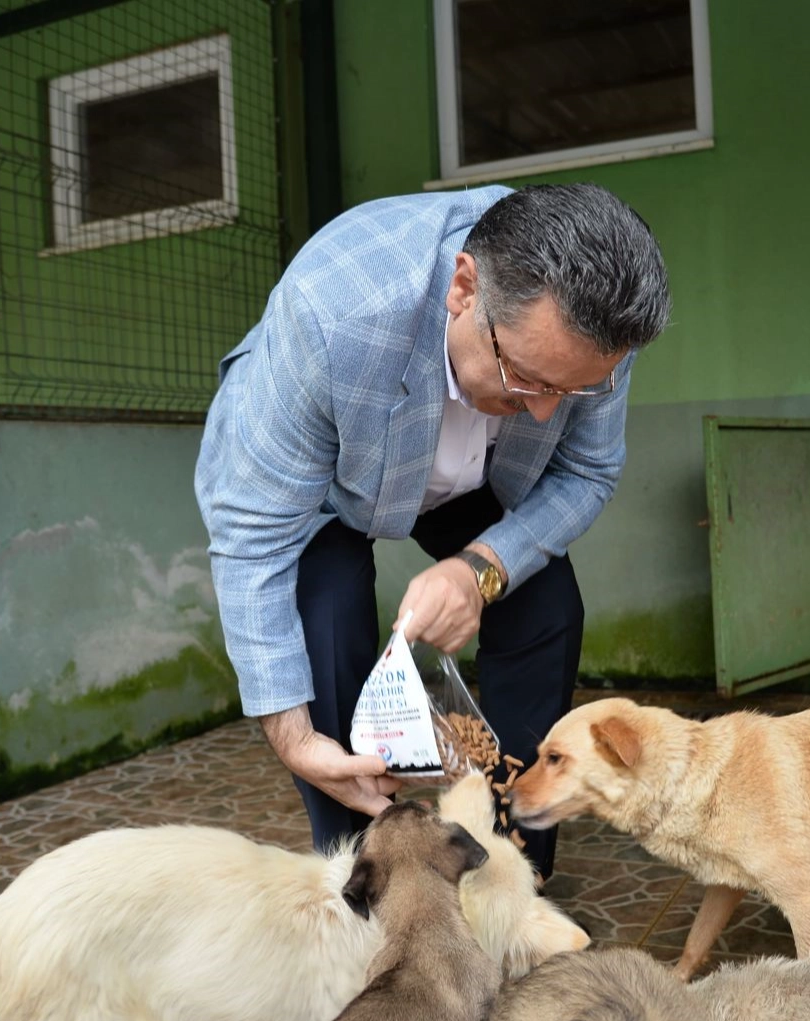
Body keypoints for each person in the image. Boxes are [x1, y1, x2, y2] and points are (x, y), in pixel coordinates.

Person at [194, 183, 670, 879]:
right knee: (325, 606)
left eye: (568, 393)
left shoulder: (595, 332)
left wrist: (477, 567)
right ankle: (366, 878)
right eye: (525, 380)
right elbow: (255, 532)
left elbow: (587, 472)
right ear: (464, 289)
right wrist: (293, 738)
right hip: (329, 472)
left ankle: (509, 868)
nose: (543, 415)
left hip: (477, 471)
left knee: (546, 605)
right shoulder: (334, 312)